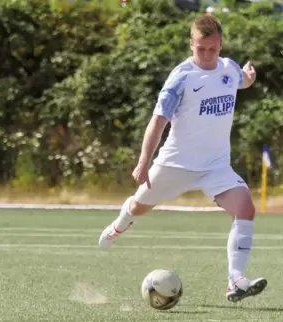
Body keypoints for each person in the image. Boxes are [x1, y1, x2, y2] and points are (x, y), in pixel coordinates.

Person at [98, 14, 267, 303]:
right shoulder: (181, 79)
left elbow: (238, 82)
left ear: (221, 45)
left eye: (212, 49)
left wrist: (249, 78)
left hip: (216, 166)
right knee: (139, 207)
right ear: (191, 44)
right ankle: (120, 224)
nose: (206, 54)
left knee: (246, 209)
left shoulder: (229, 68)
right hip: (176, 163)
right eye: (200, 49)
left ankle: (236, 280)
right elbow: (158, 121)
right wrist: (143, 162)